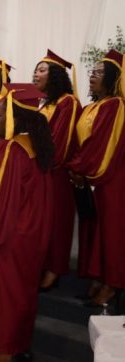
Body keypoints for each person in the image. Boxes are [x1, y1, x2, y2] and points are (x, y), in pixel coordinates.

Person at [0, 84, 54, 362]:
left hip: (9, 234)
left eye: (3, 110)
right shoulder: (35, 146)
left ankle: (5, 348)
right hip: (31, 233)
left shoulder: (10, 150)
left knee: (5, 294)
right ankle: (18, 343)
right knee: (22, 292)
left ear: (14, 115)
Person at [68, 49, 125, 307]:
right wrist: (78, 167)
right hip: (94, 175)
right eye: (93, 71)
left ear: (113, 77)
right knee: (97, 229)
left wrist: (78, 168)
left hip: (113, 177)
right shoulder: (92, 106)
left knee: (112, 232)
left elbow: (102, 143)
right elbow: (83, 143)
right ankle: (100, 277)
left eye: (100, 72)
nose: (93, 75)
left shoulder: (116, 106)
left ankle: (114, 284)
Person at [33, 50, 82, 291]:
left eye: (42, 70)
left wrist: (40, 159)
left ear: (56, 76)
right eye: (35, 69)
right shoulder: (44, 104)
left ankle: (55, 268)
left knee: (57, 221)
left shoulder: (68, 102)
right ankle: (42, 263)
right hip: (40, 171)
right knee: (42, 221)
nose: (36, 73)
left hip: (56, 172)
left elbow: (61, 141)